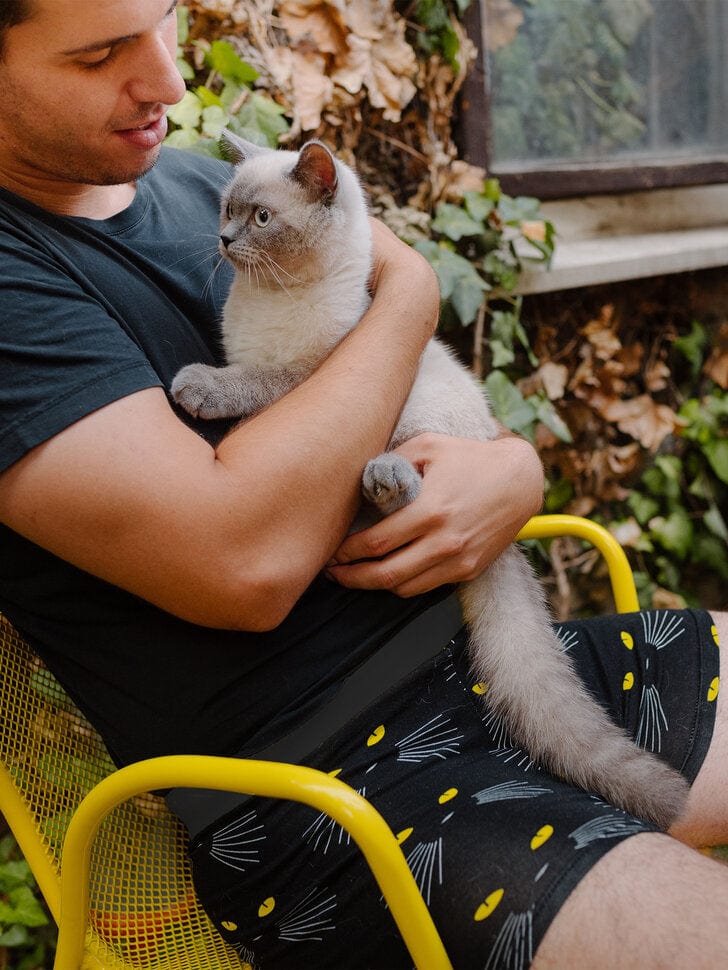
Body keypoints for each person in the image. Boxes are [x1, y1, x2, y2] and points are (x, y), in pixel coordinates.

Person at [0, 2, 725, 968]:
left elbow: (405, 393)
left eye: (165, 20)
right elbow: (242, 564)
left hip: (499, 660)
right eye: (100, 56)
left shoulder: (198, 178)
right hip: (335, 785)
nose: (170, 83)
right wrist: (415, 288)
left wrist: (512, 470)